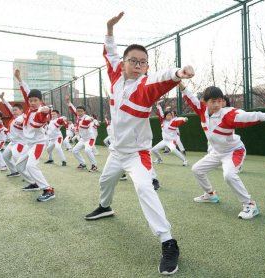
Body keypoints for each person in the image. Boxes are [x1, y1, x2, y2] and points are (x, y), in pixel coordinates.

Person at [84, 12, 195, 275]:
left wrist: (179, 72)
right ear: (123, 64)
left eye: (142, 62)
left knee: (145, 188)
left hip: (137, 154)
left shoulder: (146, 86)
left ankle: (168, 241)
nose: (137, 64)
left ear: (146, 66)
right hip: (116, 151)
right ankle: (105, 207)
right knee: (104, 182)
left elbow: (162, 77)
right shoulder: (114, 76)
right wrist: (109, 27)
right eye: (133, 60)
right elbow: (110, 52)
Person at [180, 82, 265, 220]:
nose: (217, 104)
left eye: (219, 101)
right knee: (197, 169)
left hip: (234, 151)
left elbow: (246, 116)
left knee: (229, 175)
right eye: (213, 101)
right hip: (216, 152)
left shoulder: (228, 113)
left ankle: (250, 205)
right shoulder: (202, 110)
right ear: (206, 102)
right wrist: (181, 85)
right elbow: (191, 98)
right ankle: (210, 195)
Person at [14, 69, 55, 202]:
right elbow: (26, 91)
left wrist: (45, 110)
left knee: (31, 165)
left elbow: (43, 113)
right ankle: (34, 183)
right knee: (19, 166)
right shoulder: (30, 107)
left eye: (35, 100)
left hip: (39, 143)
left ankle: (48, 190)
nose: (32, 102)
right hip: (29, 143)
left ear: (40, 101)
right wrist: (19, 79)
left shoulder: (40, 111)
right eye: (30, 100)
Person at [66, 96, 98, 172]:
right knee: (74, 150)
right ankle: (82, 164)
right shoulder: (78, 116)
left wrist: (91, 119)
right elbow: (73, 109)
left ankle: (94, 165)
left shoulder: (86, 117)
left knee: (87, 150)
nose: (79, 112)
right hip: (83, 139)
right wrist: (69, 102)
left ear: (84, 112)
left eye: (81, 111)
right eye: (78, 111)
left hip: (90, 138)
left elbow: (88, 120)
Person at [152, 99, 188, 166]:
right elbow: (160, 113)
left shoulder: (174, 122)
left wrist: (184, 119)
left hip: (171, 141)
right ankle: (160, 159)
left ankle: (185, 160)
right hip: (164, 141)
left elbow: (179, 120)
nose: (169, 116)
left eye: (170, 115)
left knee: (173, 150)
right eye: (168, 115)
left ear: (172, 116)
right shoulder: (162, 121)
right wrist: (158, 105)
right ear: (165, 116)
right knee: (154, 150)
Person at [0, 92, 25, 177]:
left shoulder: (23, 117)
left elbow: (21, 120)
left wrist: (20, 121)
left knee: (17, 158)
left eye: (16, 110)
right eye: (13, 110)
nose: (13, 111)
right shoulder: (14, 117)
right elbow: (8, 107)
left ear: (21, 111)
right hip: (12, 142)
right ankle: (14, 172)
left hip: (20, 142)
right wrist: (2, 99)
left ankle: (29, 176)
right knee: (5, 156)